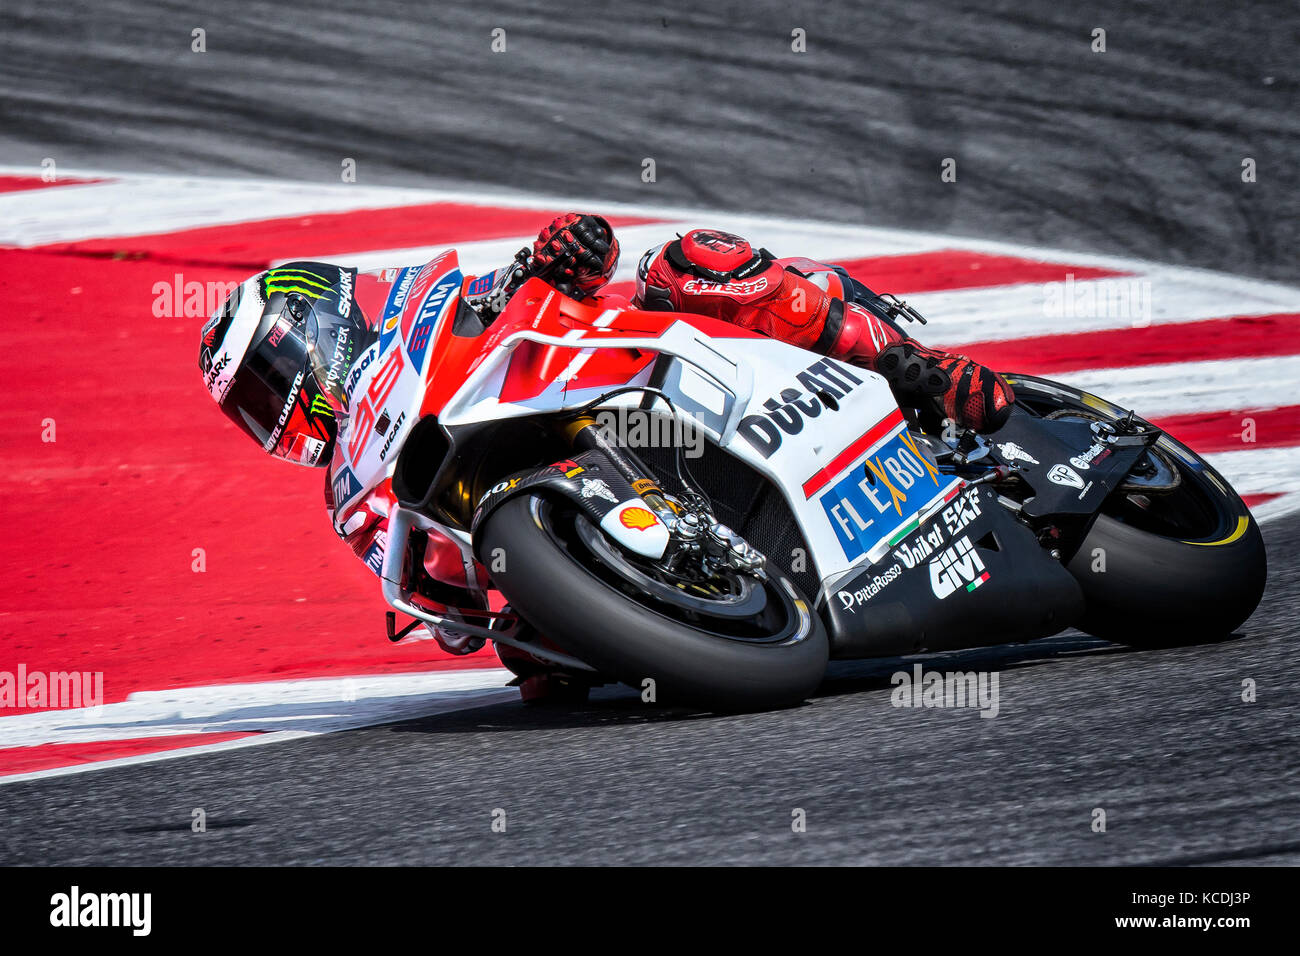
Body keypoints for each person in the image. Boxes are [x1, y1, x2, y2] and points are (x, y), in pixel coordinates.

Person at [198, 214, 1014, 697]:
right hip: (556, 547)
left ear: (322, 328)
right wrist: (481, 610)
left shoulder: (431, 309)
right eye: (254, 412)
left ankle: (912, 370)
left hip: (644, 392)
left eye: (271, 383)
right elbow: (443, 614)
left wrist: (561, 253)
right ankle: (708, 598)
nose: (277, 414)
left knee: (694, 261)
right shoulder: (350, 494)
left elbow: (574, 269)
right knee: (544, 682)